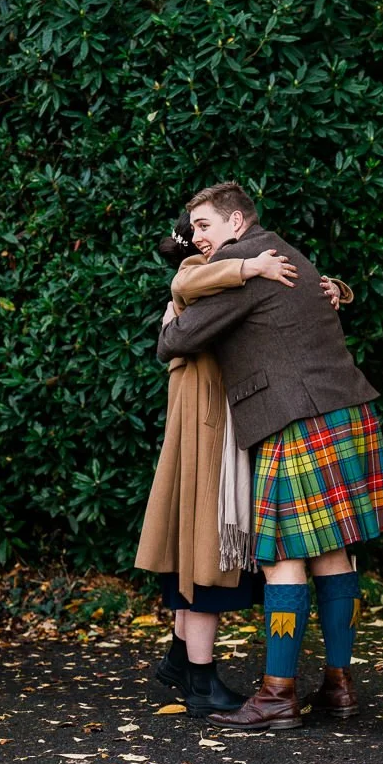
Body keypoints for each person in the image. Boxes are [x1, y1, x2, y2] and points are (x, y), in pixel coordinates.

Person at [157, 182, 383, 731]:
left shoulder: (244, 262)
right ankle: (338, 686)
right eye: (193, 228)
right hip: (345, 410)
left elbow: (174, 342)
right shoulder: (283, 251)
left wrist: (175, 315)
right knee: (331, 553)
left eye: (204, 225)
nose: (196, 236)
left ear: (237, 223)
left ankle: (277, 694)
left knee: (280, 556)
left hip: (295, 417)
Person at [136, 210, 299, 717]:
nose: (207, 242)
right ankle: (201, 682)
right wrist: (249, 269)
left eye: (210, 230)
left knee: (195, 542)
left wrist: (332, 286)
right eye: (199, 234)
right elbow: (190, 280)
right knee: (207, 548)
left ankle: (180, 660)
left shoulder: (205, 283)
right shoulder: (196, 275)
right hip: (209, 424)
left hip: (206, 419)